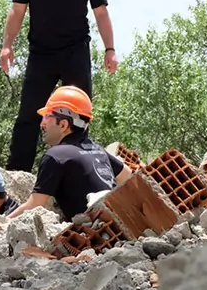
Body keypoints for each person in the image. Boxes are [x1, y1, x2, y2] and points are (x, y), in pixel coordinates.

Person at [0, 0, 118, 172]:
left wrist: (110, 49)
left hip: (75, 53)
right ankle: (16, 173)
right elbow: (17, 11)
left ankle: (79, 170)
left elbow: (101, 13)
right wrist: (7, 45)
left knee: (79, 116)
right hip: (41, 54)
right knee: (29, 115)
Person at [8, 85, 130, 221]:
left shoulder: (56, 156)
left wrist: (3, 223)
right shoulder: (97, 150)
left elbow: (34, 205)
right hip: (118, 223)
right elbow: (129, 177)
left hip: (94, 233)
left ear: (63, 125)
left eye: (47, 116)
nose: (42, 124)